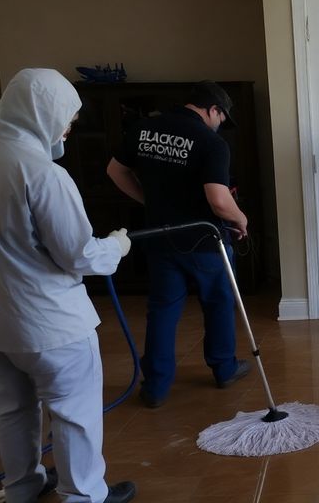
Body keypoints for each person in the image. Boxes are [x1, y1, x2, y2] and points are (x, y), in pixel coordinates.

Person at [0, 68, 136, 502]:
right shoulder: (43, 173)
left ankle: (22, 488)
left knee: (13, 409)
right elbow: (79, 254)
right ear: (43, 112)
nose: (68, 127)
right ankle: (83, 495)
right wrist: (117, 246)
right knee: (74, 415)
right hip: (51, 328)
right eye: (66, 117)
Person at [106, 81, 250, 408]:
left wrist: (148, 201)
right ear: (213, 110)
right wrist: (240, 219)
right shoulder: (211, 142)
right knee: (218, 302)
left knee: (162, 310)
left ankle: (155, 386)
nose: (220, 124)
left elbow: (115, 171)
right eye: (222, 117)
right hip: (204, 239)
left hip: (159, 237)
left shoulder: (144, 129)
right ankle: (224, 367)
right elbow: (218, 199)